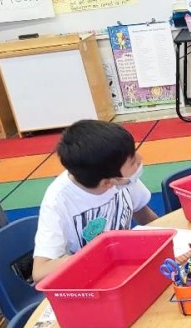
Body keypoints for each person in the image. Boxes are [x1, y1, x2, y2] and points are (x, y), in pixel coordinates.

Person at [32, 120, 157, 282]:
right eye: (133, 161)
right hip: (91, 280)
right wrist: (102, 253)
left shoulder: (122, 177)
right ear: (108, 183)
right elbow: (40, 272)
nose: (140, 159)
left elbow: (144, 214)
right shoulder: (58, 201)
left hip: (127, 269)